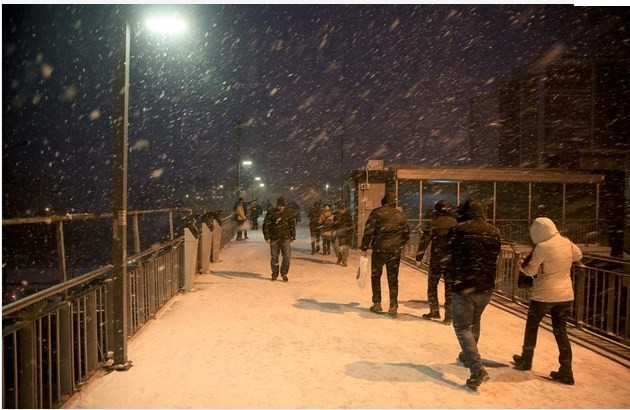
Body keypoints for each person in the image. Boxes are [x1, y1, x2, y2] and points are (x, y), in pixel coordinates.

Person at [512, 217, 583, 385]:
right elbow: (578, 254)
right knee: (561, 332)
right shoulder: (566, 242)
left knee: (532, 327)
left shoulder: (542, 247)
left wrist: (521, 265)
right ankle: (566, 370)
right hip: (565, 296)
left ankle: (526, 360)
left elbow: (530, 271)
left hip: (544, 295)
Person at [448, 199, 501, 390]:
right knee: (474, 322)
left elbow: (449, 252)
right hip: (485, 286)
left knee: (462, 327)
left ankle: (477, 369)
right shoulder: (494, 231)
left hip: (464, 284)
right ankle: (468, 356)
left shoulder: (458, 230)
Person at [360, 192, 410, 318]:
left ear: (383, 202)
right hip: (394, 250)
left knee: (376, 275)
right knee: (393, 278)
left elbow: (369, 230)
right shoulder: (400, 215)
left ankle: (377, 302)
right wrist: (400, 244)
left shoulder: (376, 212)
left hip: (379, 248)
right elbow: (406, 233)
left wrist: (364, 246)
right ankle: (393, 306)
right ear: (394, 202)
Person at [415, 200, 458, 324]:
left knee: (432, 285)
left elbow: (425, 240)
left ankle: (434, 310)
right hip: (450, 259)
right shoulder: (455, 223)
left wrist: (419, 257)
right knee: (449, 287)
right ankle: (448, 316)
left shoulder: (433, 222)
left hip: (437, 259)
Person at [262, 197, 296, 282]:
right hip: (274, 238)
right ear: (277, 205)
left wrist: (292, 236)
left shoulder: (288, 213)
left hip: (285, 238)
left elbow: (292, 225)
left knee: (287, 257)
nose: (281, 207)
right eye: (279, 205)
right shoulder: (271, 213)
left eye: (282, 206)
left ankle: (284, 273)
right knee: (274, 257)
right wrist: (267, 237)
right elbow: (266, 225)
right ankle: (275, 274)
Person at [332, 202, 353, 266]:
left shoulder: (348, 215)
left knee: (344, 248)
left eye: (340, 209)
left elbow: (351, 225)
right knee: (336, 247)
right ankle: (339, 257)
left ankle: (344, 261)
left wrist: (348, 230)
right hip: (337, 233)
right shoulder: (336, 214)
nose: (339, 211)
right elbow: (334, 224)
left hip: (345, 233)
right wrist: (333, 230)